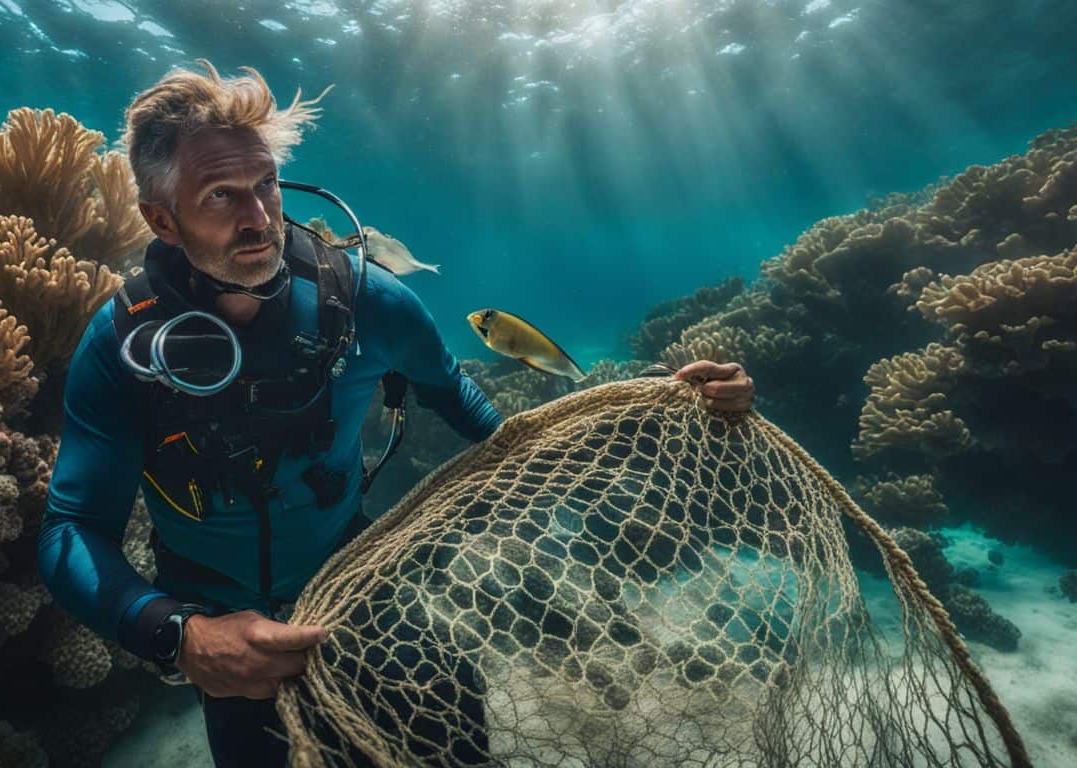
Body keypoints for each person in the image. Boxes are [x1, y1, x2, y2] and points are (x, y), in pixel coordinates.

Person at [37, 59, 755, 767]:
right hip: (218, 621)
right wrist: (180, 635)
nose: (259, 218)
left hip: (364, 586)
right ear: (161, 219)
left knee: (458, 745)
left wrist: (664, 409)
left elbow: (492, 427)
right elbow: (71, 529)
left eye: (265, 184)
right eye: (221, 196)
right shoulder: (122, 344)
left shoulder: (369, 303)